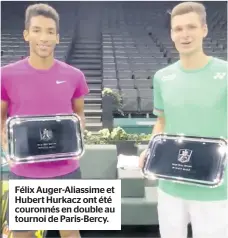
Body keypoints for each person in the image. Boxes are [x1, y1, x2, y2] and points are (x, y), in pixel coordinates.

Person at [139, 2, 227, 238]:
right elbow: (162, 122)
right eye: (178, 29)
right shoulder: (162, 77)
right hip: (170, 184)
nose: (184, 34)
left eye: (191, 27)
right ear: (171, 33)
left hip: (215, 187)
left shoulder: (226, 74)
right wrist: (150, 149)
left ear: (204, 30)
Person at [1, 3, 89, 238]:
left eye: (50, 32)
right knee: (23, 235)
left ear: (58, 38)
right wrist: (6, 145)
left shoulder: (74, 76)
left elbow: (78, 113)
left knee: (70, 233)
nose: (44, 37)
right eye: (37, 30)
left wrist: (77, 133)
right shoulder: (6, 75)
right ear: (26, 34)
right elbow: (1, 117)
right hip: (24, 170)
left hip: (66, 169)